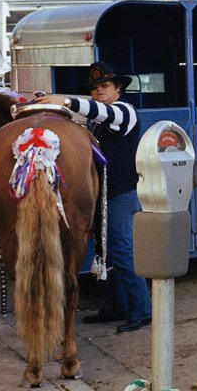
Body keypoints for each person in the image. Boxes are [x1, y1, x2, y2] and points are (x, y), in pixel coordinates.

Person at [42, 62, 151, 334]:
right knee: (109, 254)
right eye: (94, 87)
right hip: (104, 195)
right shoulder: (99, 120)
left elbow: (99, 111)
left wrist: (65, 100)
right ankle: (115, 308)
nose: (98, 90)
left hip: (121, 194)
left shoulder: (124, 112)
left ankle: (142, 311)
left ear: (118, 89)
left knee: (123, 253)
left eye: (104, 85)